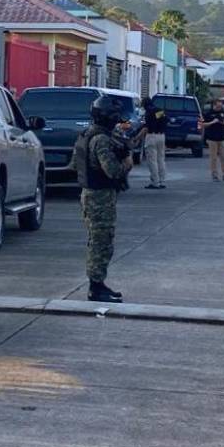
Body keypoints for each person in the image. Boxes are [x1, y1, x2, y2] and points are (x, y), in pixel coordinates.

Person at [72, 95, 131, 303]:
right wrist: (126, 162)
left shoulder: (87, 135)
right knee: (101, 243)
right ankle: (96, 287)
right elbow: (113, 171)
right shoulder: (101, 139)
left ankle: (98, 284)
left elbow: (74, 165)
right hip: (100, 198)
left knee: (98, 241)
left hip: (91, 195)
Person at [139, 96, 168, 190]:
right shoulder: (159, 110)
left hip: (151, 136)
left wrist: (136, 137)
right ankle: (162, 181)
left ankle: (155, 182)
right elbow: (165, 120)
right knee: (161, 159)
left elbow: (146, 127)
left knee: (152, 160)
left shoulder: (148, 113)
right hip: (161, 136)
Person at [200, 98, 224, 181]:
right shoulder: (208, 113)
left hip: (222, 138)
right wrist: (212, 122)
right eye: (218, 106)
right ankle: (214, 175)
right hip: (212, 138)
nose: (219, 108)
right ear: (214, 105)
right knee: (213, 158)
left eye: (220, 106)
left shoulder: (223, 113)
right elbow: (202, 124)